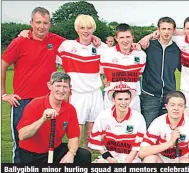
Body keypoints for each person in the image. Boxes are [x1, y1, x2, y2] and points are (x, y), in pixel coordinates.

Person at [1, 7, 66, 163]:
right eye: (38, 22)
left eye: (45, 23)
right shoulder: (19, 41)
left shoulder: (56, 40)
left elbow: (79, 44)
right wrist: (3, 94)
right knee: (22, 144)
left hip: (46, 101)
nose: (41, 26)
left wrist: (94, 39)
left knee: (45, 145)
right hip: (22, 101)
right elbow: (2, 65)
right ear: (31, 23)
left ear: (50, 24)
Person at [55, 14, 107, 150]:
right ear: (77, 29)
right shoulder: (67, 46)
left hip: (95, 94)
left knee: (91, 135)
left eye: (89, 28)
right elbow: (48, 50)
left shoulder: (101, 48)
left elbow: (122, 52)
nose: (86, 31)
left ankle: (86, 164)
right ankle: (74, 163)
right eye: (82, 27)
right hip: (77, 94)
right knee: (75, 134)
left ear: (93, 29)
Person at [17, 72, 91, 164]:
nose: (61, 90)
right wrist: (42, 119)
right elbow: (22, 136)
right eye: (58, 85)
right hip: (32, 154)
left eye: (65, 86)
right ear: (50, 86)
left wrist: (71, 153)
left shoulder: (70, 109)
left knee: (84, 155)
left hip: (55, 149)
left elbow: (73, 137)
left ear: (69, 89)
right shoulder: (35, 105)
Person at [138, 17, 182, 127]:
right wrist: (148, 36)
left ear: (173, 30)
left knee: (167, 129)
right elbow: (133, 48)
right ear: (158, 29)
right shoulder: (148, 46)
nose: (166, 32)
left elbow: (183, 69)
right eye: (163, 29)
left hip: (169, 96)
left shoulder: (177, 49)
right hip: (149, 95)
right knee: (149, 129)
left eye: (169, 29)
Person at [88, 82, 146, 163]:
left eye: (126, 99)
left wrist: (127, 161)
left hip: (131, 158)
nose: (123, 102)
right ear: (113, 100)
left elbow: (138, 144)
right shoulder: (103, 116)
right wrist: (108, 158)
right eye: (120, 99)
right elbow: (95, 139)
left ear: (130, 100)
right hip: (109, 157)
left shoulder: (138, 118)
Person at [139, 91, 189, 163]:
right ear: (166, 107)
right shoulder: (157, 122)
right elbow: (142, 153)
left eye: (180, 105)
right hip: (161, 159)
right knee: (150, 159)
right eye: (172, 105)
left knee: (186, 162)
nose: (176, 108)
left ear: (184, 108)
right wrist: (170, 143)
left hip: (181, 159)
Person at [99, 23, 146, 112]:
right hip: (111, 99)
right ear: (116, 38)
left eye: (128, 37)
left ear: (132, 37)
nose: (125, 40)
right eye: (121, 37)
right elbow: (101, 73)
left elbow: (139, 74)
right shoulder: (106, 53)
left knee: (133, 124)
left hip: (133, 99)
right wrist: (105, 78)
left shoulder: (141, 55)